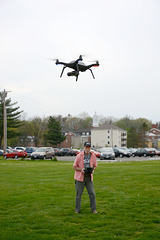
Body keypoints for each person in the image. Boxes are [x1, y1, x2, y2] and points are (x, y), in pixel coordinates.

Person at [73, 142, 98, 213]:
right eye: (86, 147)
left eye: (89, 147)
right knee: (79, 195)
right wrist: (81, 169)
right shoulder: (79, 155)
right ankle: (77, 210)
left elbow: (95, 165)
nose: (87, 149)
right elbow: (74, 166)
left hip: (89, 177)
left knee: (92, 194)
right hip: (80, 178)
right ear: (84, 147)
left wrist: (92, 170)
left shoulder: (93, 155)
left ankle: (94, 209)